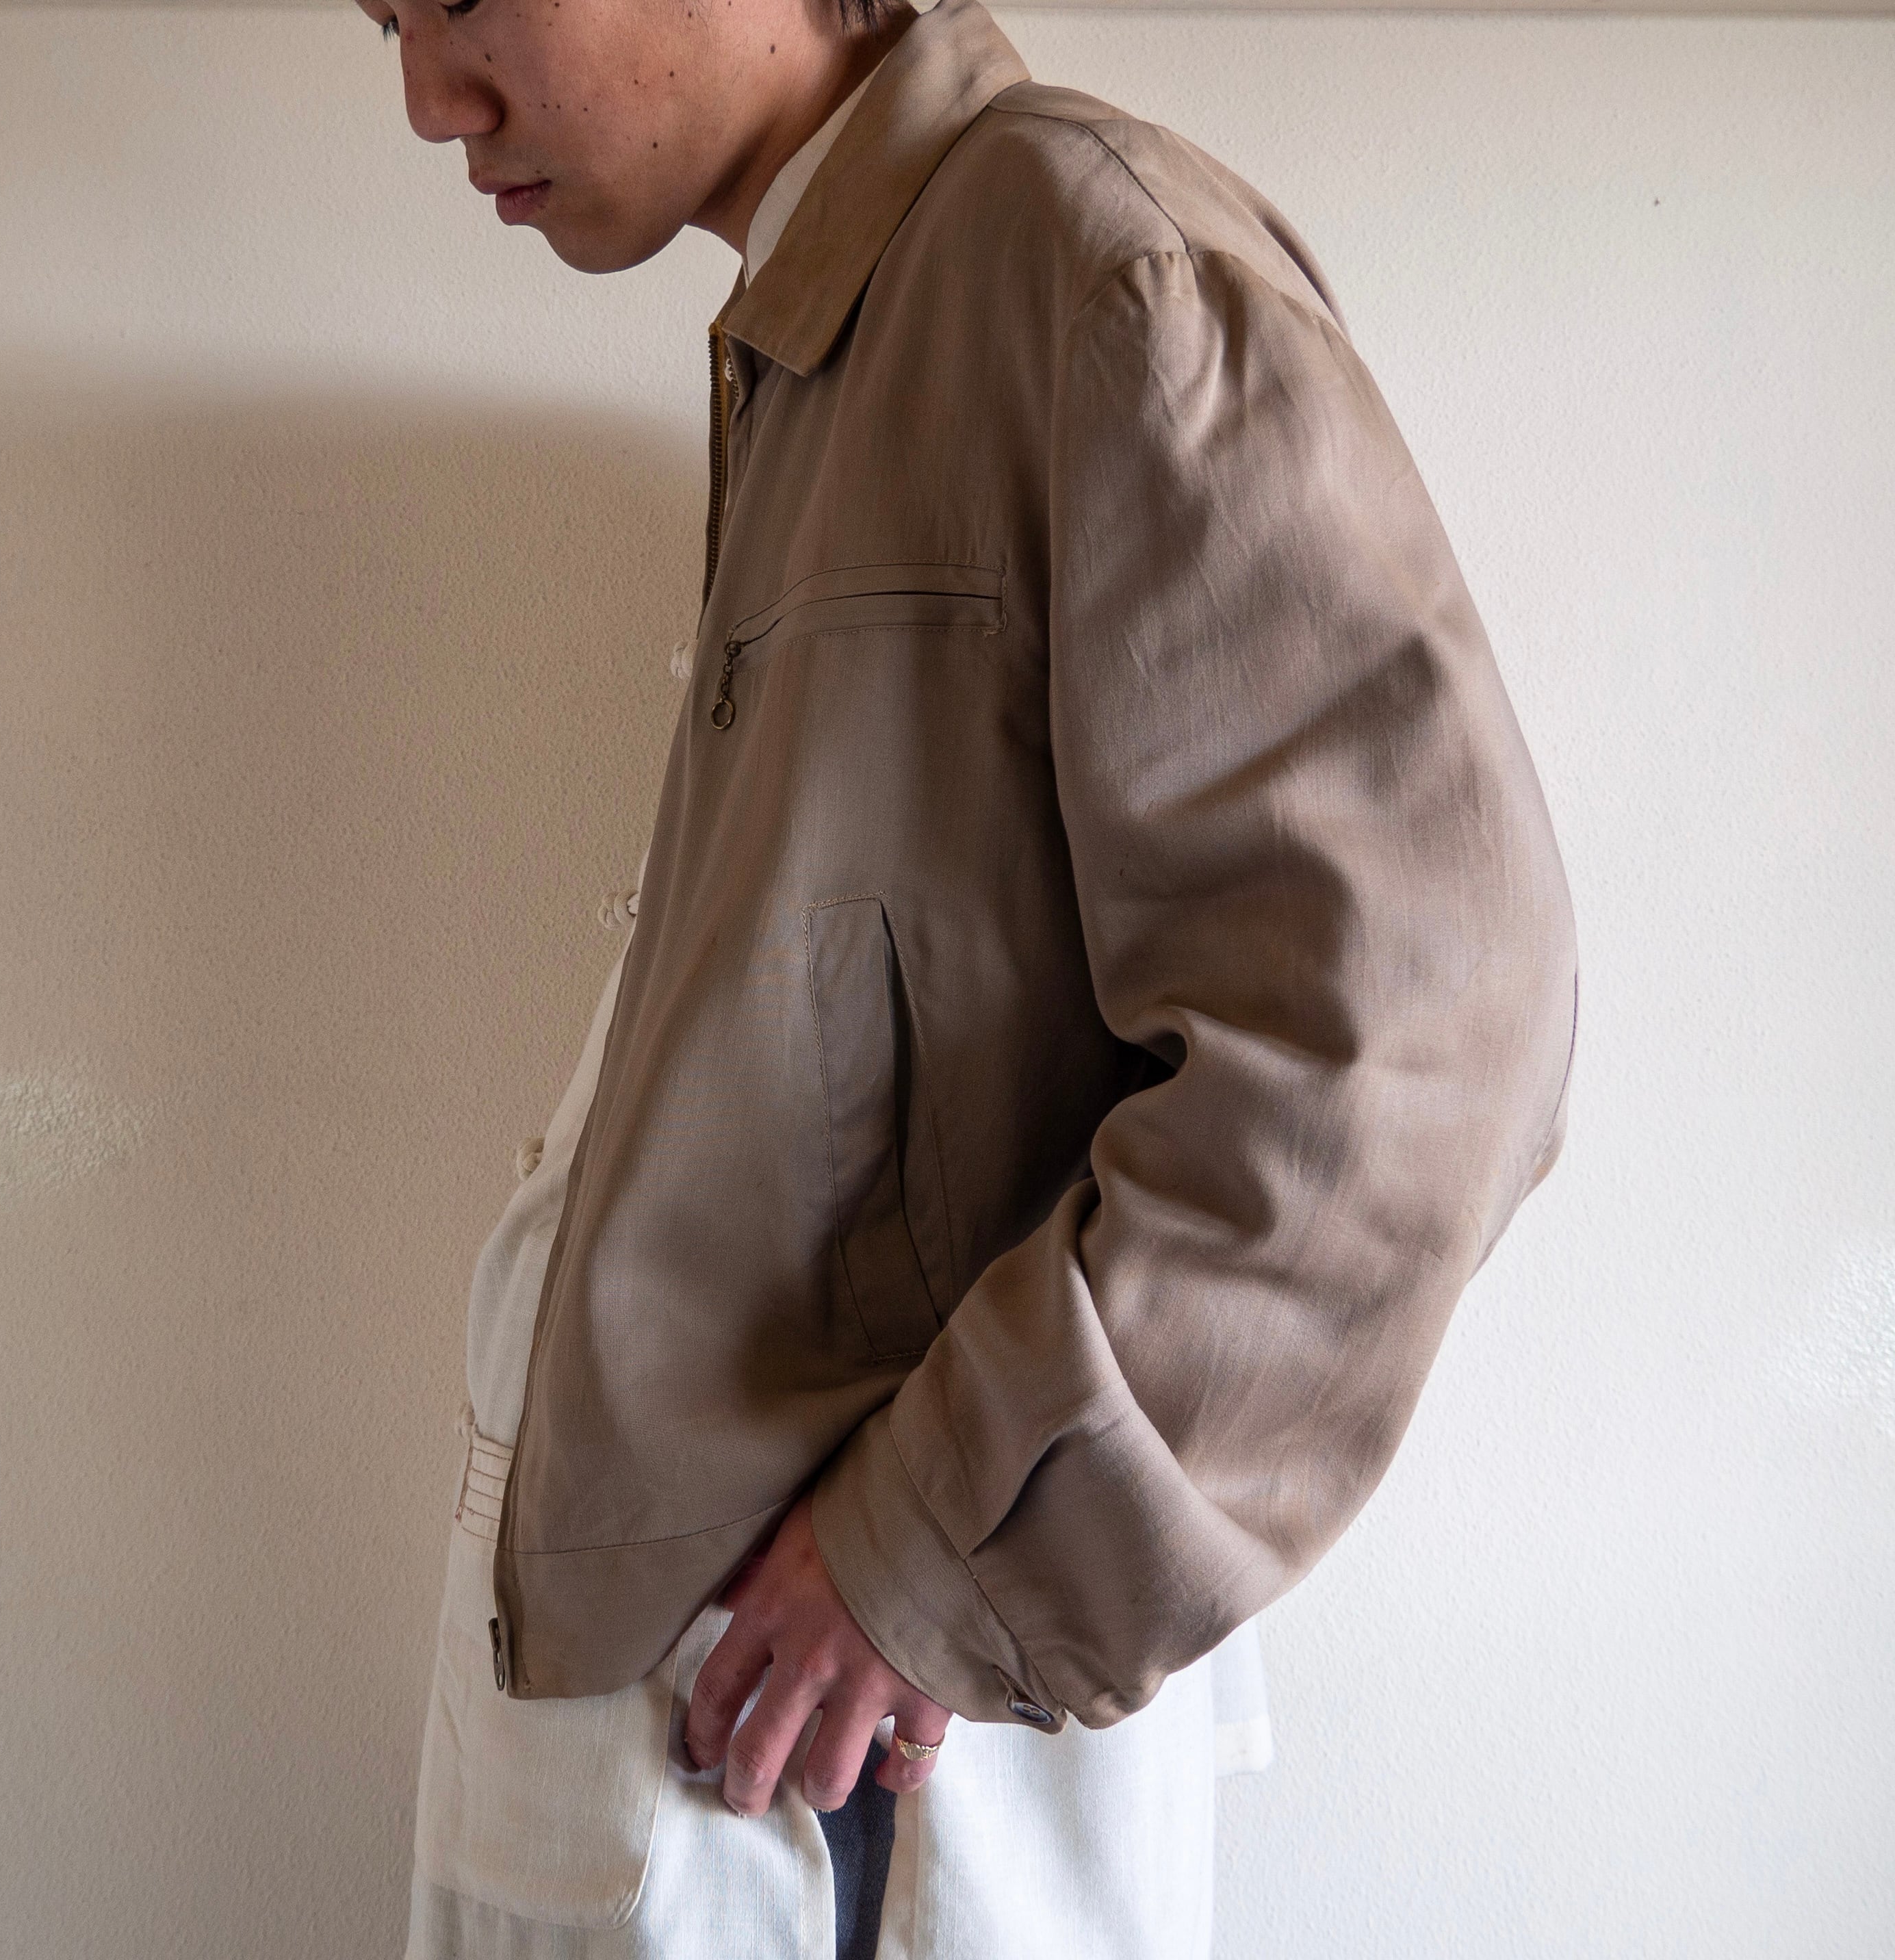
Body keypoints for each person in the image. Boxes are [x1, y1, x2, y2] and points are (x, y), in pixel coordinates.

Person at [360, 0, 1579, 1952]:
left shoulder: (1084, 266)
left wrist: (941, 1556)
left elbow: (1416, 1038)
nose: (431, 98)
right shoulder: (848, 322)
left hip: (828, 1800)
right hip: (730, 1771)